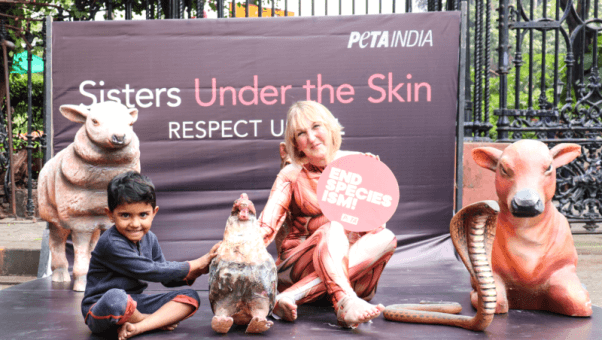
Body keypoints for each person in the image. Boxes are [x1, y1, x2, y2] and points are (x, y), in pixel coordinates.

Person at [258, 101, 398, 328]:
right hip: (298, 267)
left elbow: (375, 227)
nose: (312, 138)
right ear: (296, 144)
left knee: (386, 236)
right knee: (333, 226)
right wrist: (233, 248)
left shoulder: (360, 162)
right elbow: (266, 226)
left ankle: (290, 297)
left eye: (316, 127)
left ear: (331, 128)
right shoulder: (291, 174)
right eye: (302, 133)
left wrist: (374, 180)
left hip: (353, 276)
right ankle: (344, 302)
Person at [81, 171, 221, 340]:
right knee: (116, 296)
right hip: (104, 308)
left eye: (143, 215)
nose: (135, 224)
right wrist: (194, 264)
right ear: (110, 214)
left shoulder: (150, 238)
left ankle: (138, 327)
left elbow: (166, 279)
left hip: (137, 303)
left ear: (154, 213)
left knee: (190, 297)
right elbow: (148, 270)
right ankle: (150, 322)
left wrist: (198, 271)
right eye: (125, 215)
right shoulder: (110, 242)